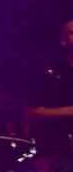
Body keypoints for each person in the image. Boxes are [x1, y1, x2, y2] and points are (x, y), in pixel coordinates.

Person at [22, 18, 73, 153]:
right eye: (72, 33)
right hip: (62, 147)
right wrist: (68, 111)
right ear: (63, 41)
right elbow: (30, 112)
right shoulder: (48, 73)